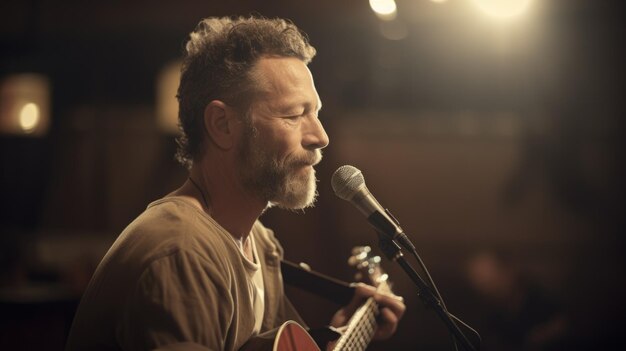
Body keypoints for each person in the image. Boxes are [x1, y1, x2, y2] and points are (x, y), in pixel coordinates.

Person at [65, 16, 405, 351]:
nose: (320, 137)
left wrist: (344, 334)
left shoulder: (258, 242)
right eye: (293, 115)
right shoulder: (180, 253)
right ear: (223, 125)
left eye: (315, 113)